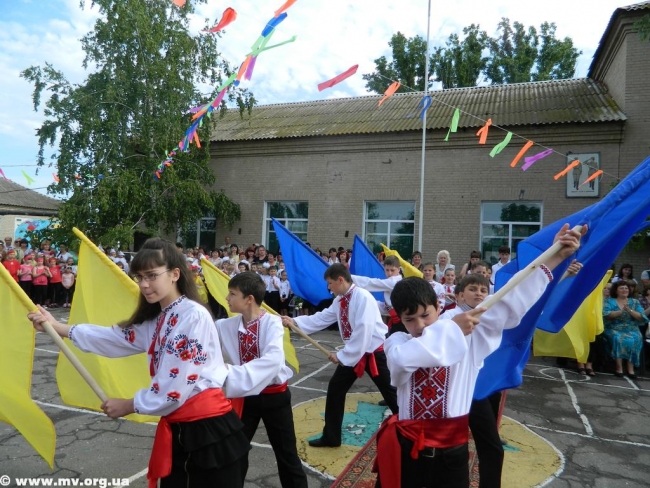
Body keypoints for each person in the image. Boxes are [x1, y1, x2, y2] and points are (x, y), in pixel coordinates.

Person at [27, 238, 250, 488]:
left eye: (152, 276)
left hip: (207, 433)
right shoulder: (158, 319)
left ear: (175, 274)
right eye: (140, 277)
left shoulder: (193, 315)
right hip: (184, 428)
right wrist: (56, 327)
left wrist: (129, 404)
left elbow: (175, 383)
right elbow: (114, 338)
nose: (144, 284)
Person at [374, 223, 584, 488]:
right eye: (409, 319)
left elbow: (511, 300)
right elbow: (402, 360)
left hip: (451, 456)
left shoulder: (467, 329)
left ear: (439, 305)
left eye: (425, 315)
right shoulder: (399, 341)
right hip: (407, 450)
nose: (420, 325)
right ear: (400, 319)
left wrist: (556, 256)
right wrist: (453, 329)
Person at [281, 263, 398, 447]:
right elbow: (322, 318)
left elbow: (364, 331)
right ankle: (331, 437)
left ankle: (410, 428)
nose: (329, 287)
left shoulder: (362, 297)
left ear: (340, 280)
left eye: (330, 283)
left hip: (372, 353)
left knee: (391, 393)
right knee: (336, 389)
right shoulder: (340, 300)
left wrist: (343, 356)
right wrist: (294, 321)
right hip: (355, 353)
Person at [217, 272, 308, 488]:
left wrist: (231, 372)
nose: (227, 298)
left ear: (249, 298)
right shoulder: (225, 325)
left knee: (286, 453)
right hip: (245, 398)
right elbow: (200, 333)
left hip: (274, 397)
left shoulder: (272, 323)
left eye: (232, 294)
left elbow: (273, 359)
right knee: (235, 452)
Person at [603, 280, 646, 379]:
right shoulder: (610, 301)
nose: (624, 290)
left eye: (626, 288)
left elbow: (641, 317)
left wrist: (630, 311)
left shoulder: (634, 302)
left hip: (632, 328)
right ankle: (619, 368)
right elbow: (607, 315)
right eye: (621, 288)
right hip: (614, 327)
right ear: (616, 290)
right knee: (619, 338)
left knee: (636, 338)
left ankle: (631, 368)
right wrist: (620, 312)